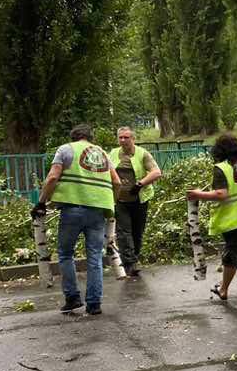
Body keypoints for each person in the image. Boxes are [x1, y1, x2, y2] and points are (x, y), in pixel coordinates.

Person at [35, 123, 122, 316]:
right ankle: (94, 304)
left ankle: (73, 298)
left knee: (66, 254)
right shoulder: (102, 153)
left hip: (72, 210)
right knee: (95, 256)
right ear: (90, 138)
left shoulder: (66, 149)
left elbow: (52, 178)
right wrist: (111, 204)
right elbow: (117, 182)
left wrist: (41, 202)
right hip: (98, 211)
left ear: (73, 137)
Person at [187, 133, 237, 309]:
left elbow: (221, 194)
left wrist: (198, 194)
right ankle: (223, 289)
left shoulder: (222, 168)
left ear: (219, 151)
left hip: (233, 220)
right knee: (230, 255)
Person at [109, 126, 161, 280]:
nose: (123, 140)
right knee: (124, 232)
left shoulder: (142, 154)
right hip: (120, 200)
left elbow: (156, 172)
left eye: (126, 137)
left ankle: (134, 259)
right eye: (120, 137)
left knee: (137, 232)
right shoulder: (112, 153)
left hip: (139, 199)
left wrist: (139, 184)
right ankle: (130, 264)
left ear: (133, 139)